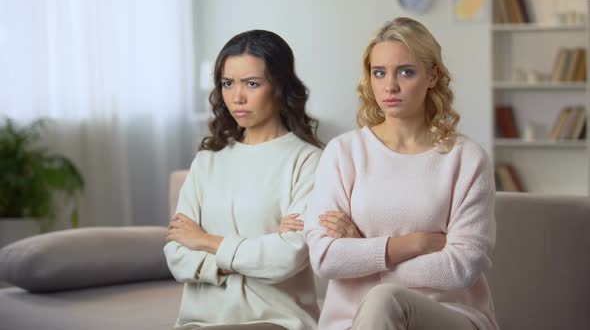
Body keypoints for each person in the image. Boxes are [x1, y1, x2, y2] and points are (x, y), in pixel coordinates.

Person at [304, 17, 499, 330]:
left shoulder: (466, 158)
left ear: (432, 75)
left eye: (405, 72)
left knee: (385, 299)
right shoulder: (343, 153)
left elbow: (463, 266)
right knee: (382, 302)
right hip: (351, 321)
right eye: (379, 73)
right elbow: (326, 258)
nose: (390, 86)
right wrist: (417, 243)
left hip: (449, 314)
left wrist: (364, 254)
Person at [164, 29, 322, 330]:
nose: (237, 97)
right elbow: (176, 255)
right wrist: (255, 250)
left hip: (277, 321)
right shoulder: (207, 160)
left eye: (252, 83)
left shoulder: (309, 161)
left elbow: (286, 258)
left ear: (280, 86)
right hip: (197, 322)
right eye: (227, 83)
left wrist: (205, 241)